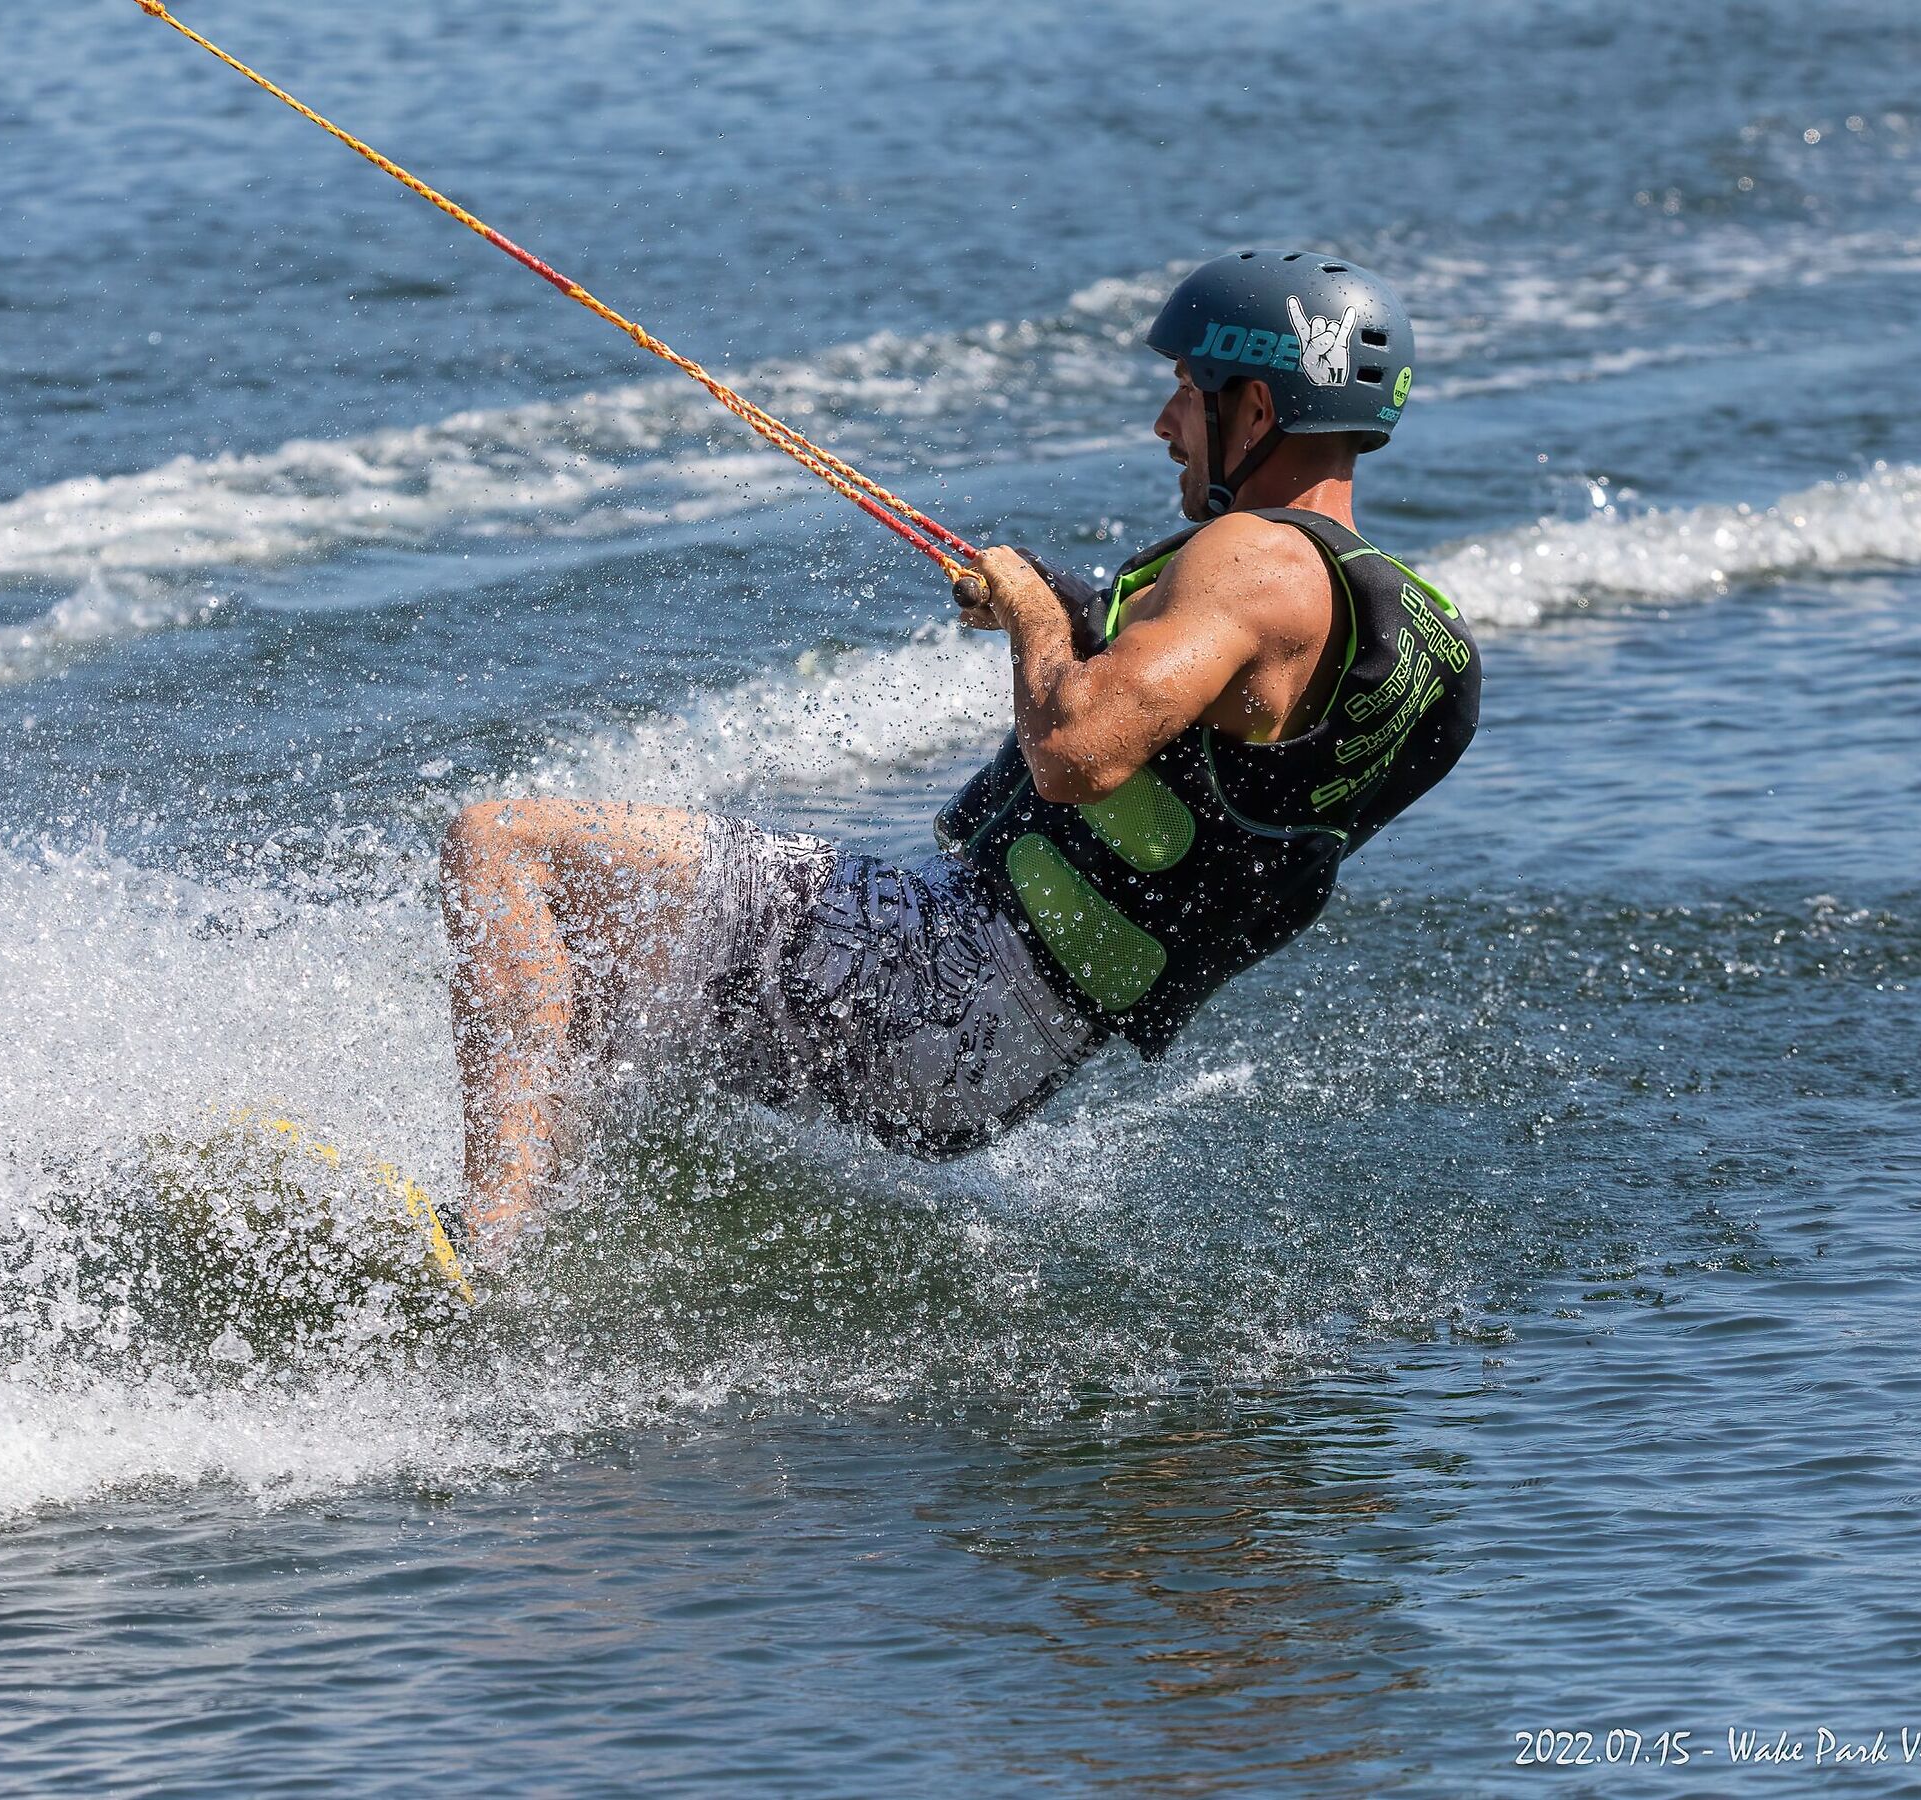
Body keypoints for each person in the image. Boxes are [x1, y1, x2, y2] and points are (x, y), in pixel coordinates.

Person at [438, 251, 1480, 1254]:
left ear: (1257, 407)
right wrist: (1075, 615)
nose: (1167, 424)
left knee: (509, 847)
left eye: (1185, 388)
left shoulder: (1255, 558)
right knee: (605, 978)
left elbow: (1076, 752)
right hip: (1009, 1060)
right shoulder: (1412, 634)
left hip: (944, 975)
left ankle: (493, 1243)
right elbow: (1224, 758)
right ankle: (568, 1218)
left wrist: (1032, 608)